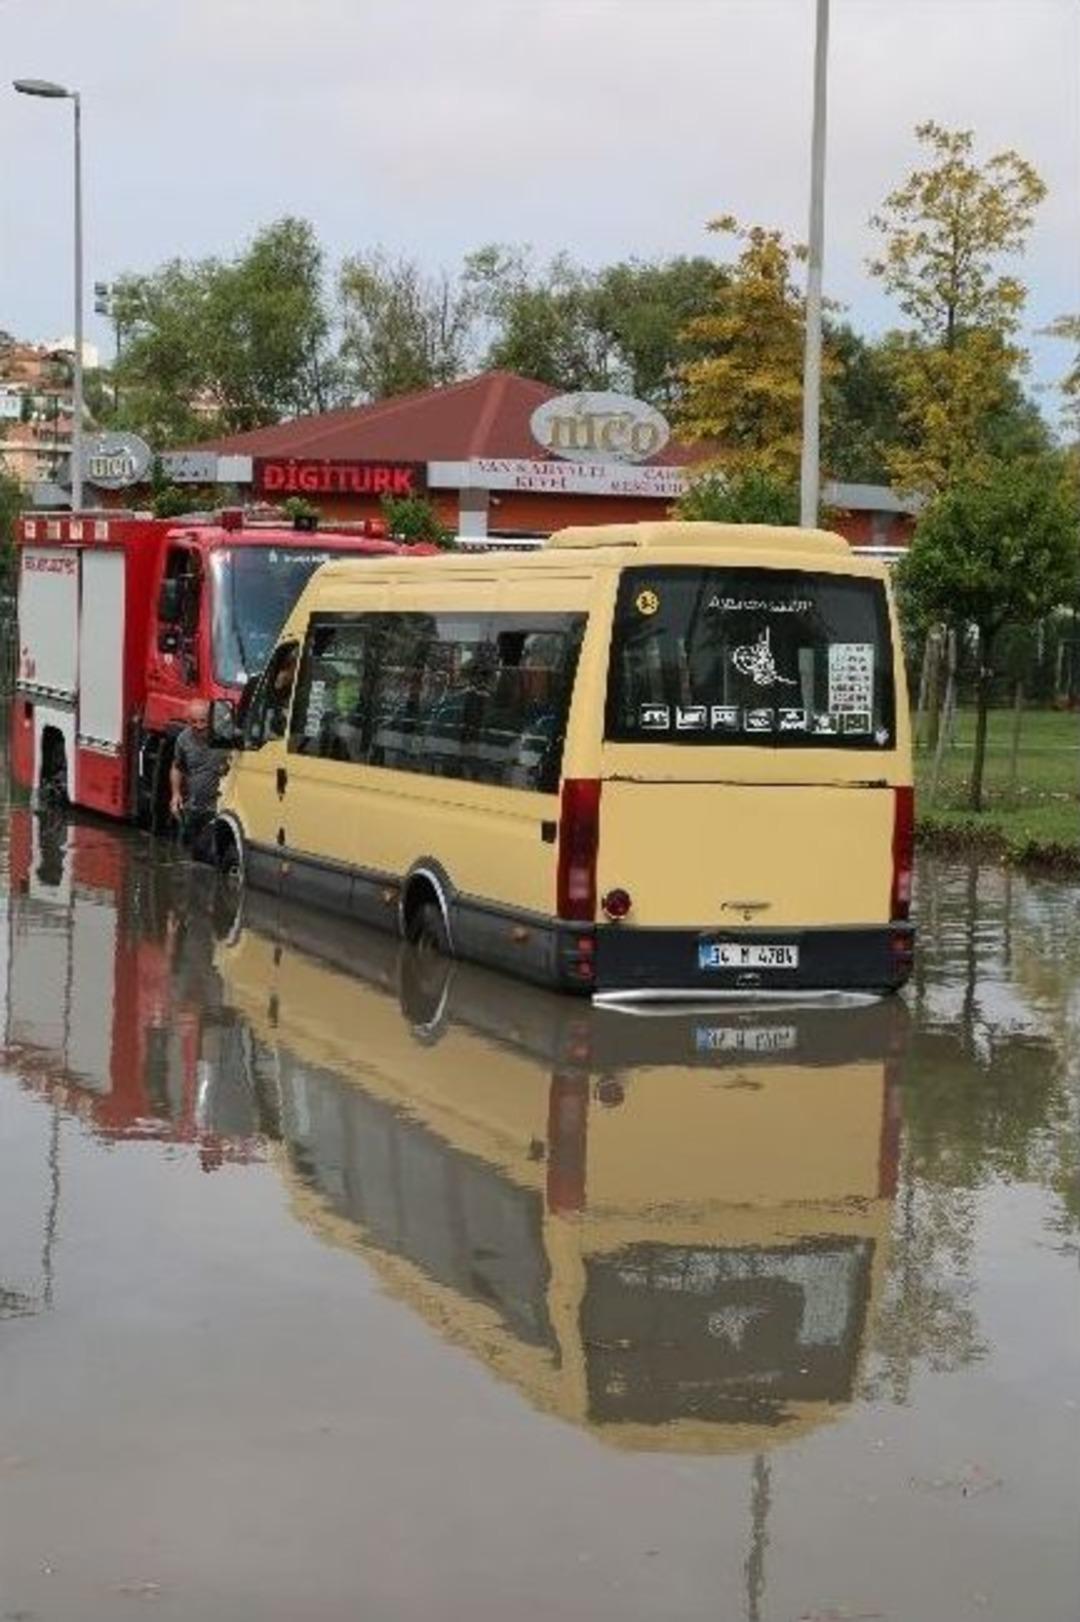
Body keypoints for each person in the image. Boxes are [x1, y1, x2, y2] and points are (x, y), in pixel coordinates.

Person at [169, 699, 230, 861]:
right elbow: (177, 767)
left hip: (219, 807)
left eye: (203, 721)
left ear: (210, 719)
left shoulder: (225, 737)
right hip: (195, 807)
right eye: (193, 721)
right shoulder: (183, 739)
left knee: (212, 854)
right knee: (192, 856)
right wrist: (175, 794)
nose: (198, 726)